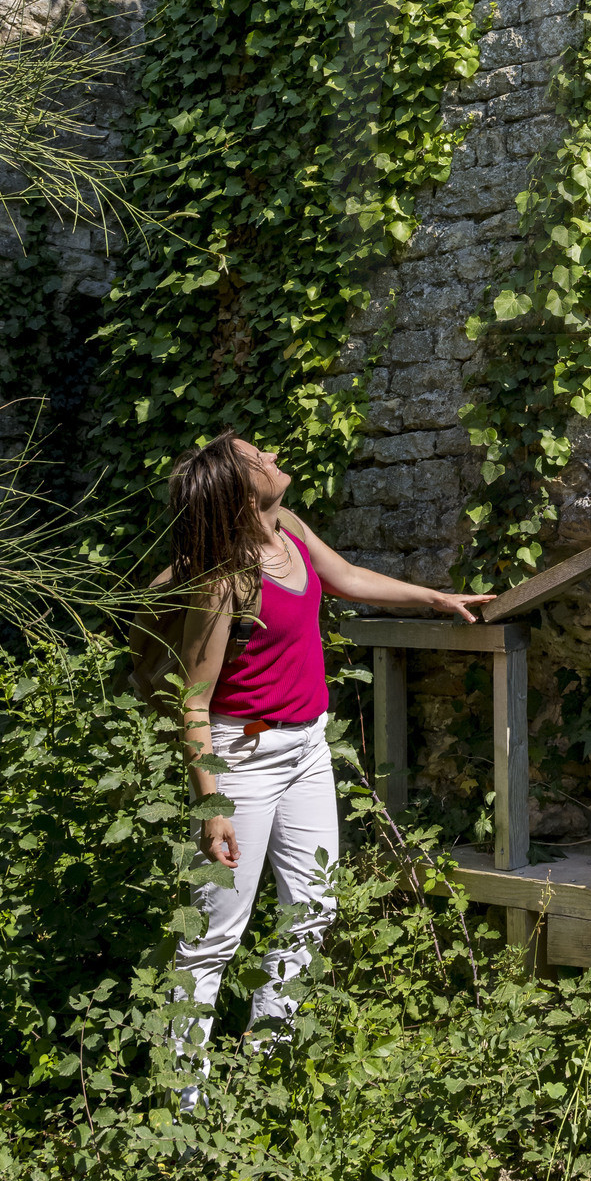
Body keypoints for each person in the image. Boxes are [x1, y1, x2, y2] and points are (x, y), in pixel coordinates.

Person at [170, 429, 491, 1059]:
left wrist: (434, 597)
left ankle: (265, 1058)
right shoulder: (225, 580)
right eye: (255, 458)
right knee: (214, 935)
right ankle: (181, 1103)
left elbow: (341, 576)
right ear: (239, 490)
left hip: (307, 749)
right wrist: (212, 809)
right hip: (244, 759)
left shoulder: (285, 525)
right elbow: (193, 701)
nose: (271, 455)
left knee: (312, 908)